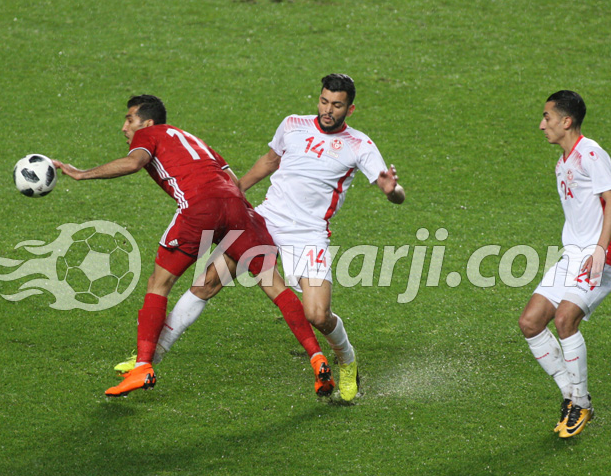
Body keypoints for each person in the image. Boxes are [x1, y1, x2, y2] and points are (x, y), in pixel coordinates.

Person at [116, 75, 405, 402]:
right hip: (265, 219)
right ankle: (150, 358)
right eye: (324, 101)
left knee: (318, 315)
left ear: (350, 109)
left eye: (336, 105)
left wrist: (391, 190)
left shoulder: (359, 145)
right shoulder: (293, 125)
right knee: (206, 284)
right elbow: (268, 162)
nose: (327, 110)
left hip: (308, 234)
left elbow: (395, 193)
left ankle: (347, 360)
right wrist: (233, 192)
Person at [53, 94, 335, 398]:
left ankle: (143, 366)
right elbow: (230, 179)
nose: (124, 127)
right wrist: (249, 224)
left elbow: (135, 163)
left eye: (129, 119)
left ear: (147, 123)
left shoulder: (148, 135)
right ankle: (317, 360)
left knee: (159, 283)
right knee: (275, 286)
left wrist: (82, 173)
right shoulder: (192, 138)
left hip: (200, 207)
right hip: (237, 206)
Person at [518, 90, 611, 438]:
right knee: (530, 322)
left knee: (565, 320)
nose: (541, 125)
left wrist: (600, 247)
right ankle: (571, 394)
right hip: (573, 253)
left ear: (566, 121)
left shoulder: (591, 153)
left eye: (547, 117)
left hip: (601, 254)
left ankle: (580, 403)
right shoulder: (564, 162)